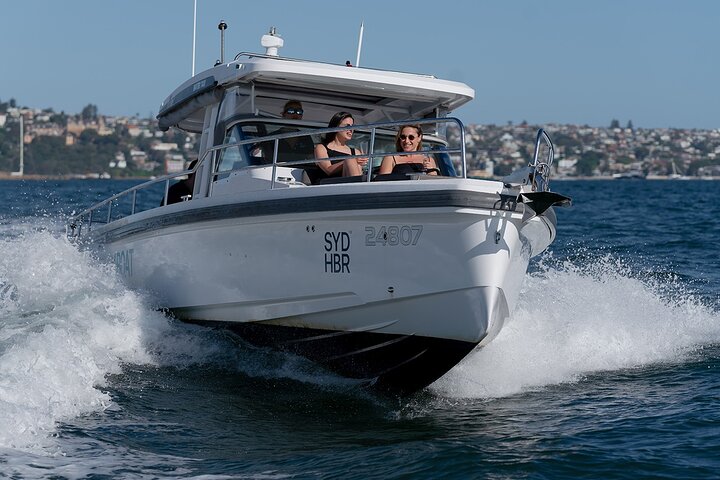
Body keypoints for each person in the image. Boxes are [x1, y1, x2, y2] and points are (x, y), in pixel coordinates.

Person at [313, 112, 367, 181]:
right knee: (350, 159)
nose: (351, 130)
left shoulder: (356, 152)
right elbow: (328, 170)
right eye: (347, 126)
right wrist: (348, 160)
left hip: (350, 184)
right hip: (329, 186)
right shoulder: (321, 148)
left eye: (353, 126)